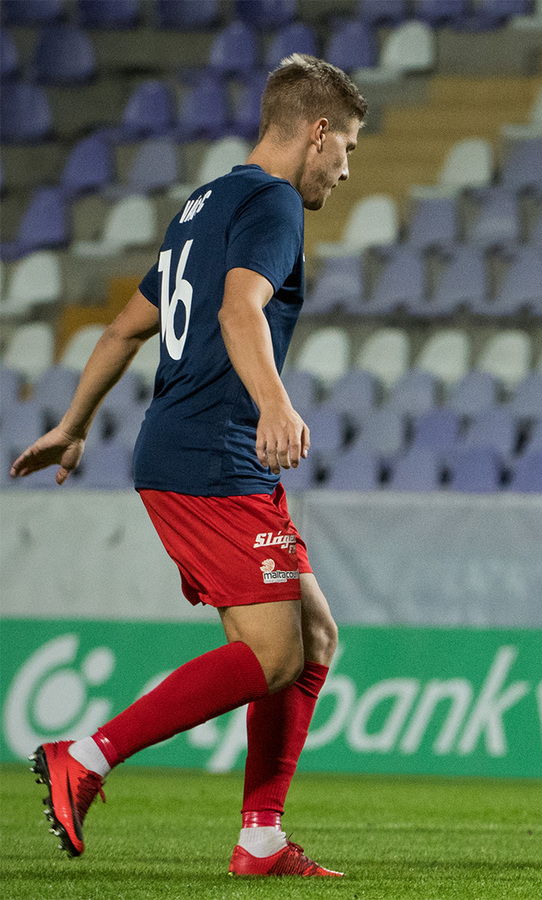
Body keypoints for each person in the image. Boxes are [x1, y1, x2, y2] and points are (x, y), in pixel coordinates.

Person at [12, 54, 364, 877]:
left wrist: (73, 424)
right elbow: (240, 309)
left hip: (189, 448)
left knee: (314, 636)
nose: (347, 169)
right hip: (212, 451)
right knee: (275, 655)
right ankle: (85, 758)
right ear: (317, 132)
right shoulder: (275, 202)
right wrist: (274, 404)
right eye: (347, 147)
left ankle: (261, 838)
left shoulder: (204, 204)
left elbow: (121, 329)